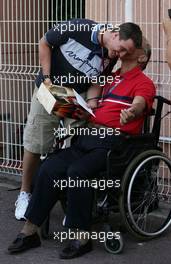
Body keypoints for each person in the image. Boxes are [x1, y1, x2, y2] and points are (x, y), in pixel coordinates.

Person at [8, 37, 156, 258]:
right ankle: (30, 231)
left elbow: (140, 103)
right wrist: (80, 106)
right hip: (88, 136)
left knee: (78, 171)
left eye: (133, 43)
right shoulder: (108, 78)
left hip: (115, 144)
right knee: (50, 167)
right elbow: (90, 95)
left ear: (142, 56)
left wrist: (132, 112)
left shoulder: (143, 82)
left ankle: (82, 237)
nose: (123, 44)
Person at [15, 19, 143, 220]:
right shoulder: (78, 27)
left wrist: (92, 103)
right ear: (115, 34)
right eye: (122, 49)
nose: (122, 56)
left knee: (75, 142)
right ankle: (24, 194)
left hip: (77, 96)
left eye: (127, 53)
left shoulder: (110, 54)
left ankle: (69, 201)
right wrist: (47, 78)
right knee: (36, 142)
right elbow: (44, 42)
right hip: (51, 89)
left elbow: (97, 80)